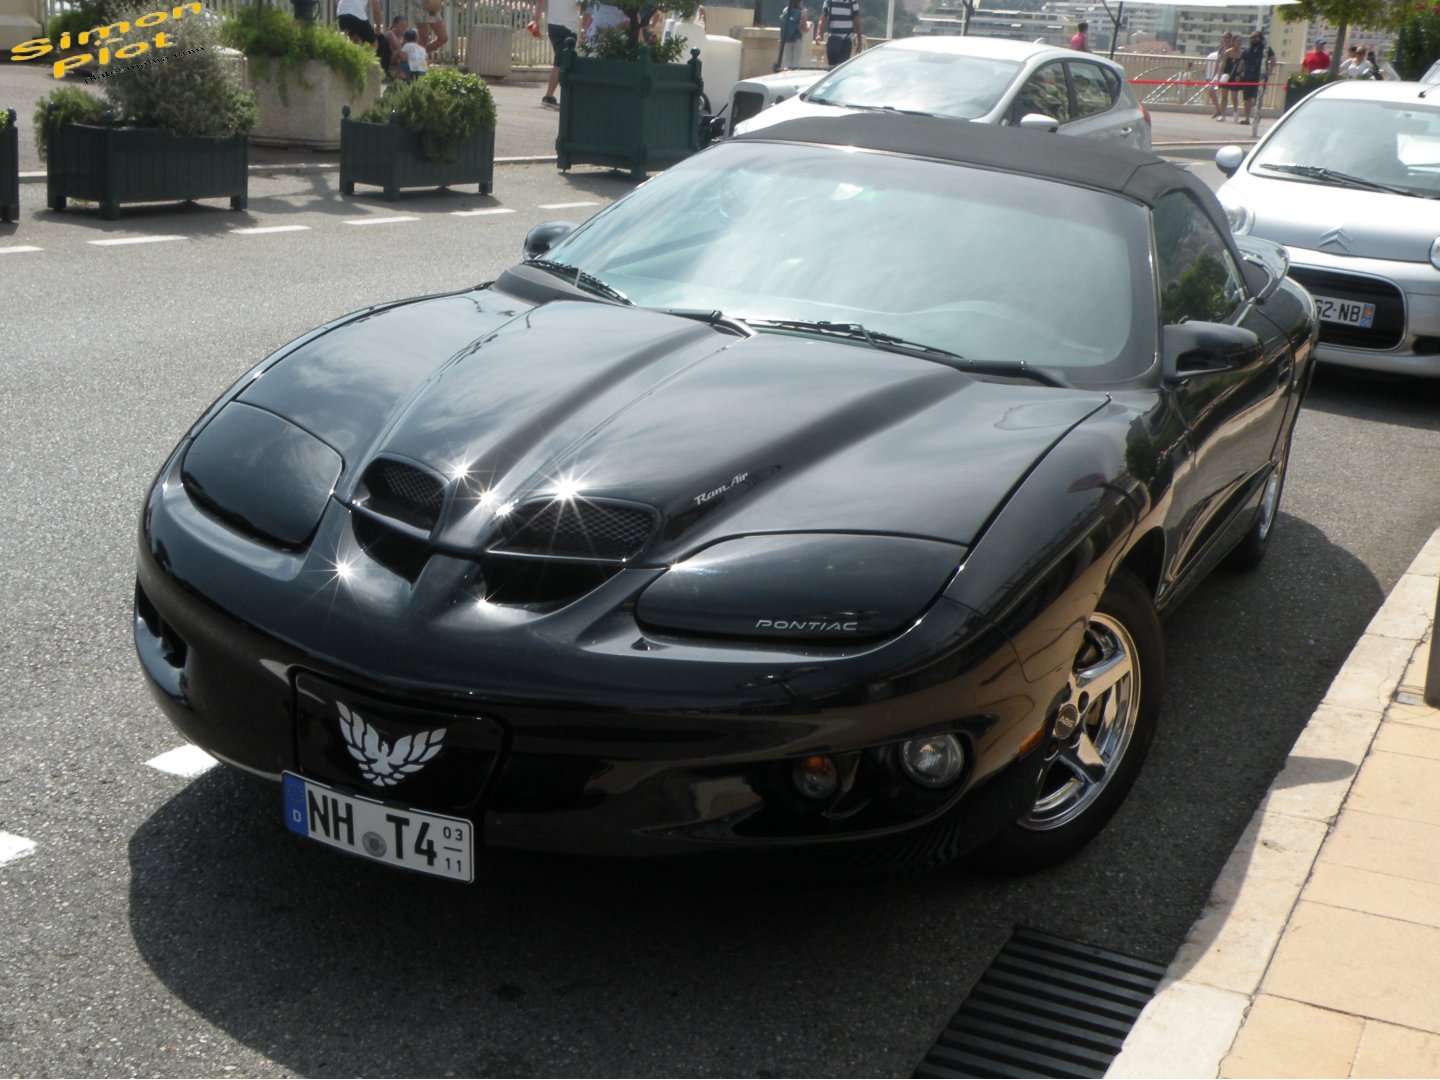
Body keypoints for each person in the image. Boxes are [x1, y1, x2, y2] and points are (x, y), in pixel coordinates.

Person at [534, 0, 581, 105]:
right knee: (561, 63)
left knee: (561, 61)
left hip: (553, 24)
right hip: (569, 26)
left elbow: (541, 1)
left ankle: (555, 95)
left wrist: (536, 21)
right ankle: (549, 96)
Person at [1240, 29, 1273, 125]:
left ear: (1260, 38)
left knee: (1256, 98)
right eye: (1251, 37)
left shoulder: (1266, 49)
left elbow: (1273, 59)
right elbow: (1242, 63)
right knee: (1246, 98)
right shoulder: (1247, 50)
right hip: (1248, 76)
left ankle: (1256, 114)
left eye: (1255, 37)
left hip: (1260, 77)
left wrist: (1269, 70)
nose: (1252, 39)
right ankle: (1247, 118)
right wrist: (1238, 74)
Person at [814, 0, 861, 69]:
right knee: (834, 68)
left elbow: (857, 23)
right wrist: (819, 34)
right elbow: (823, 19)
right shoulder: (829, 1)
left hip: (845, 41)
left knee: (841, 69)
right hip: (835, 40)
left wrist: (859, 42)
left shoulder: (852, 2)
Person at [775, 0, 808, 71]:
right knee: (795, 64)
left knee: (787, 64)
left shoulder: (786, 10)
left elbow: (783, 26)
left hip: (787, 40)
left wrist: (781, 40)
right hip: (797, 40)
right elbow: (805, 28)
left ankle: (787, 76)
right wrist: (809, 26)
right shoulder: (803, 11)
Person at [1204, 34, 1225, 119]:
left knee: (1224, 94)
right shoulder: (1220, 51)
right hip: (1218, 74)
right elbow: (1217, 63)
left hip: (1226, 73)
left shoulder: (1230, 50)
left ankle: (1222, 113)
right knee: (1211, 91)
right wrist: (1213, 75)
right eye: (1223, 38)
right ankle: (1218, 110)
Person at [381, 15, 408, 80]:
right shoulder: (390, 33)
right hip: (389, 58)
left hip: (398, 58)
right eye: (401, 25)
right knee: (401, 51)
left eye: (405, 26)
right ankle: (398, 74)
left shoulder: (403, 36)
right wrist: (406, 41)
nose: (404, 27)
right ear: (394, 25)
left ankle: (399, 75)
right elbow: (398, 48)